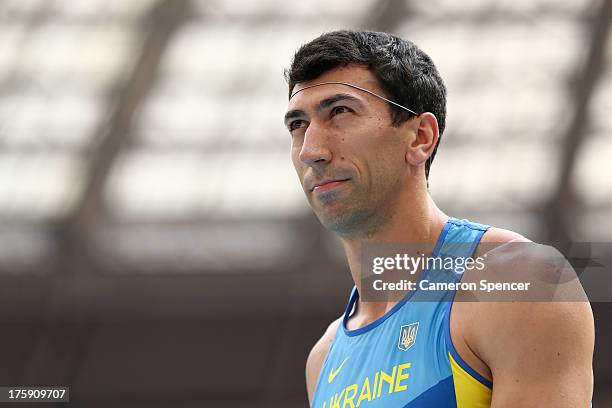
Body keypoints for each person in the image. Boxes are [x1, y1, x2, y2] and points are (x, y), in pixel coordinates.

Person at [283, 30, 594, 407]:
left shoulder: (520, 282)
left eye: (340, 112)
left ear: (421, 137)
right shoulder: (324, 358)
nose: (310, 151)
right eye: (298, 124)